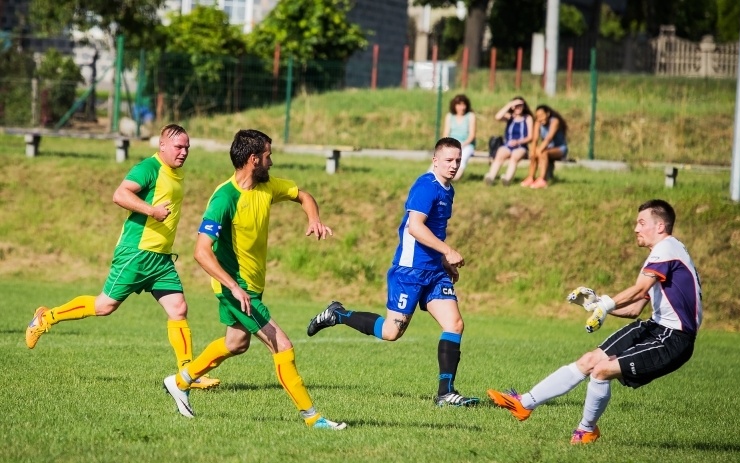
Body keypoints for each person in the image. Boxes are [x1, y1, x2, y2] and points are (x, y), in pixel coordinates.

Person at [162, 129, 346, 430]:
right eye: (268, 156)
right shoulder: (224, 198)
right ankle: (313, 418)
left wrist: (313, 217)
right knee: (283, 345)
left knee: (236, 344)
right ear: (253, 159)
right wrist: (233, 286)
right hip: (235, 289)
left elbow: (303, 195)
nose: (271, 162)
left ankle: (180, 381)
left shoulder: (267, 187)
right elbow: (200, 252)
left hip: (250, 286)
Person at [488, 199, 702, 444]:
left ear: (661, 226)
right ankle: (523, 404)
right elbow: (634, 307)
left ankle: (586, 430)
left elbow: (637, 289)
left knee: (601, 371)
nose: (636, 228)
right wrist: (596, 304)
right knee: (590, 360)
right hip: (655, 326)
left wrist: (604, 305)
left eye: (642, 223)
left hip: (674, 337)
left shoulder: (666, 249)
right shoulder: (662, 253)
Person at [25, 124, 218, 390]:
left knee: (179, 309)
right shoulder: (148, 169)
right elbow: (120, 194)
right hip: (136, 254)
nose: (184, 152)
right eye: (178, 147)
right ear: (162, 146)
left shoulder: (177, 172)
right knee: (104, 306)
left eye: (187, 147)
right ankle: (45, 318)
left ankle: (188, 374)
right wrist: (151, 210)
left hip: (160, 259)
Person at [306, 137, 479, 408]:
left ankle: (446, 393)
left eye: (457, 160)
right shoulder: (426, 187)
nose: (454, 165)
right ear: (435, 161)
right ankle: (338, 314)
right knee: (390, 332)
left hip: (434, 272)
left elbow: (431, 231)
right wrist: (448, 251)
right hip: (409, 272)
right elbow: (415, 227)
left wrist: (443, 263)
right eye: (448, 160)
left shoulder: (448, 190)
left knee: (454, 324)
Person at [483, 96, 534, 186]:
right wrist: (510, 104)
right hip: (508, 145)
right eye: (516, 106)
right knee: (499, 155)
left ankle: (507, 178)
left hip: (521, 146)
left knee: (514, 157)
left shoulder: (528, 118)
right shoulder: (510, 117)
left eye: (520, 106)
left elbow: (530, 137)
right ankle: (491, 176)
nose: (518, 108)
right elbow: (497, 117)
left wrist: (518, 142)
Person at [521, 105, 568, 189]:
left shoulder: (555, 122)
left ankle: (542, 180)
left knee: (543, 152)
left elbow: (548, 138)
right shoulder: (537, 123)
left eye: (542, 115)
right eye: (538, 116)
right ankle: (531, 177)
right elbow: (535, 139)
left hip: (559, 148)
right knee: (535, 151)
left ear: (548, 114)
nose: (540, 118)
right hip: (547, 147)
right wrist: (533, 151)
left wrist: (539, 150)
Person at [441, 94, 476, 181]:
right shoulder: (449, 116)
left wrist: (462, 144)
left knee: (461, 158)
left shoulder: (470, 116)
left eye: (464, 105)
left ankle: (454, 178)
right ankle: (434, 175)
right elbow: (445, 133)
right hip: (452, 144)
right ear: (454, 106)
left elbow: (472, 135)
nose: (462, 107)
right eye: (459, 105)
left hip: (466, 144)